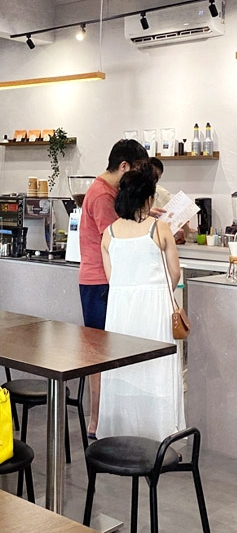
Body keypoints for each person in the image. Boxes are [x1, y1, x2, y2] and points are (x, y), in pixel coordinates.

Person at [97, 165, 186, 440]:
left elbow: (112, 278)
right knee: (157, 369)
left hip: (121, 310)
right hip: (155, 307)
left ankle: (123, 431)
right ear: (148, 199)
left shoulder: (109, 233)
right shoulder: (159, 228)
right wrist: (155, 290)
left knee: (124, 370)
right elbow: (174, 273)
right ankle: (160, 434)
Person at [78, 138, 149, 438]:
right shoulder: (101, 196)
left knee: (107, 353)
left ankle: (106, 420)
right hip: (99, 283)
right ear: (123, 167)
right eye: (135, 172)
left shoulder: (108, 192)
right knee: (99, 356)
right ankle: (97, 421)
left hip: (105, 282)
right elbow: (118, 238)